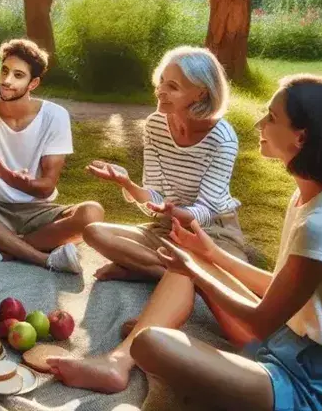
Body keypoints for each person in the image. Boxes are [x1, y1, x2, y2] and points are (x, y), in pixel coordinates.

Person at [49, 75, 322, 411]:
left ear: (300, 137)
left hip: (316, 391)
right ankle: (119, 362)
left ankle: (156, 348)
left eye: (271, 117)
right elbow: (277, 289)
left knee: (152, 343)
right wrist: (208, 254)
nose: (259, 123)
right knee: (185, 267)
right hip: (288, 344)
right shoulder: (312, 196)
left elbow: (260, 321)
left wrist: (198, 270)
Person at [0, 39, 103, 274]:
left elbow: (47, 187)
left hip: (39, 212)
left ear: (33, 83)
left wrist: (20, 183)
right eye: (5, 71)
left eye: (18, 75)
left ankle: (1, 248)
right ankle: (41, 257)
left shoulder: (55, 116)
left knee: (92, 213)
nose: (6, 81)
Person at [85, 46, 247, 282]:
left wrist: (175, 212)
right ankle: (187, 277)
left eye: (173, 87)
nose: (160, 91)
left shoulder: (223, 139)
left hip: (212, 232)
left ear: (201, 94)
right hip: (166, 228)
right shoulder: (155, 125)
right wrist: (127, 183)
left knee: (227, 265)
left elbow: (206, 212)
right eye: (161, 82)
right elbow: (155, 196)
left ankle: (145, 269)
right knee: (94, 232)